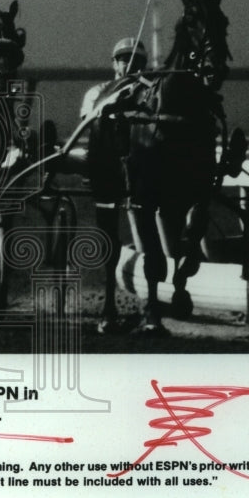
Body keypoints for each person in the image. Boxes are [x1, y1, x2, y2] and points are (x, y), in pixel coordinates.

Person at [80, 37, 148, 335]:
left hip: (142, 167)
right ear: (114, 63)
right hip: (107, 168)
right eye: (123, 59)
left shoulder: (149, 92)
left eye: (135, 60)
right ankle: (109, 306)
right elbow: (89, 122)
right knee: (109, 238)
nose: (129, 64)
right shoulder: (97, 92)